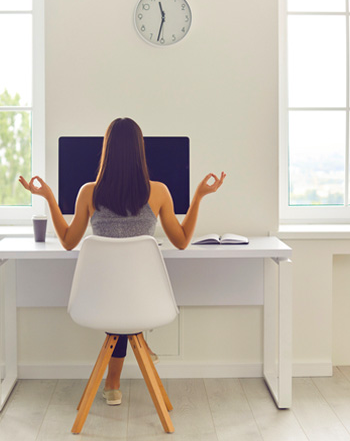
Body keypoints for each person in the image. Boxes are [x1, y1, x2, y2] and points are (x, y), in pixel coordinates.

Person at [19, 117, 226, 406]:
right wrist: (199, 198)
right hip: (144, 299)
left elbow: (67, 242)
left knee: (119, 300)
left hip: (101, 298)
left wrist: (50, 198)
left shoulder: (88, 192)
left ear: (106, 150)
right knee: (128, 303)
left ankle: (113, 382)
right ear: (140, 151)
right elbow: (181, 241)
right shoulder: (159, 192)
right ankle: (135, 340)